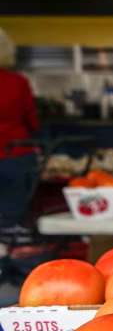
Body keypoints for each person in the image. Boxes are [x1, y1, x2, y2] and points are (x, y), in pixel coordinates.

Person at [0, 28, 40, 224]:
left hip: (14, 154)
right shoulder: (17, 82)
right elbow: (32, 120)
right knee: (14, 215)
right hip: (16, 154)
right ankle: (11, 249)